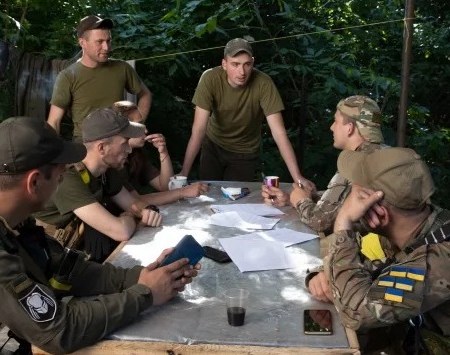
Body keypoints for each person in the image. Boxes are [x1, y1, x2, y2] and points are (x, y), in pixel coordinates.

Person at [0, 116, 199, 354]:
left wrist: (142, 277)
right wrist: (145, 294)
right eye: (59, 174)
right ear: (34, 182)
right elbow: (58, 329)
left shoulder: (17, 223)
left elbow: (69, 269)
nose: (63, 178)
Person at [306, 147, 450, 353]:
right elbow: (370, 271)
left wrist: (343, 223)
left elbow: (357, 312)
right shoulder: (415, 230)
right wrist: (319, 275)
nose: (348, 205)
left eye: (354, 199)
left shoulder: (441, 258)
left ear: (379, 211)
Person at [35, 108, 163, 263]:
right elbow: (121, 231)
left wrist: (146, 211)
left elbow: (134, 204)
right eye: (124, 143)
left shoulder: (106, 170)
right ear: (102, 148)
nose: (129, 150)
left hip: (69, 250)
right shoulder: (67, 177)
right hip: (44, 256)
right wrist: (129, 216)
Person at [180, 38, 313, 187]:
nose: (241, 72)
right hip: (213, 145)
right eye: (235, 64)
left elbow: (279, 133)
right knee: (207, 194)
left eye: (247, 64)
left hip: (244, 152)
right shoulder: (210, 78)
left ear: (253, 63)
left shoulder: (264, 83)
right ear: (224, 64)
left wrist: (298, 177)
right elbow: (198, 130)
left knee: (237, 199)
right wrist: (183, 174)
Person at [262, 95, 384, 233]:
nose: (332, 127)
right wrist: (295, 198)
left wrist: (301, 202)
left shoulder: (355, 161)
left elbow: (319, 221)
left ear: (349, 128)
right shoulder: (385, 155)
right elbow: (341, 204)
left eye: (336, 121)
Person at [47, 15, 152, 139]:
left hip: (119, 145)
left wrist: (136, 128)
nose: (106, 47)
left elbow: (146, 95)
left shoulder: (122, 68)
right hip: (86, 149)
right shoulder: (67, 76)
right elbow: (54, 121)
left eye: (108, 40)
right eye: (99, 42)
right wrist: (52, 153)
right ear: (82, 43)